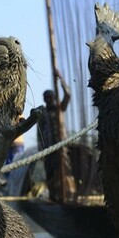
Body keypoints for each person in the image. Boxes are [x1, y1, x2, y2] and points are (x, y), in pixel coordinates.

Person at [36, 70, 76, 202]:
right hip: (49, 148)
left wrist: (61, 80)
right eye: (46, 98)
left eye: (50, 97)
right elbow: (40, 132)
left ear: (53, 98)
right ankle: (54, 196)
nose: (48, 100)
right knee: (51, 172)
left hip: (61, 146)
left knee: (65, 169)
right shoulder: (43, 113)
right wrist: (41, 149)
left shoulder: (59, 108)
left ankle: (69, 195)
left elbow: (68, 94)